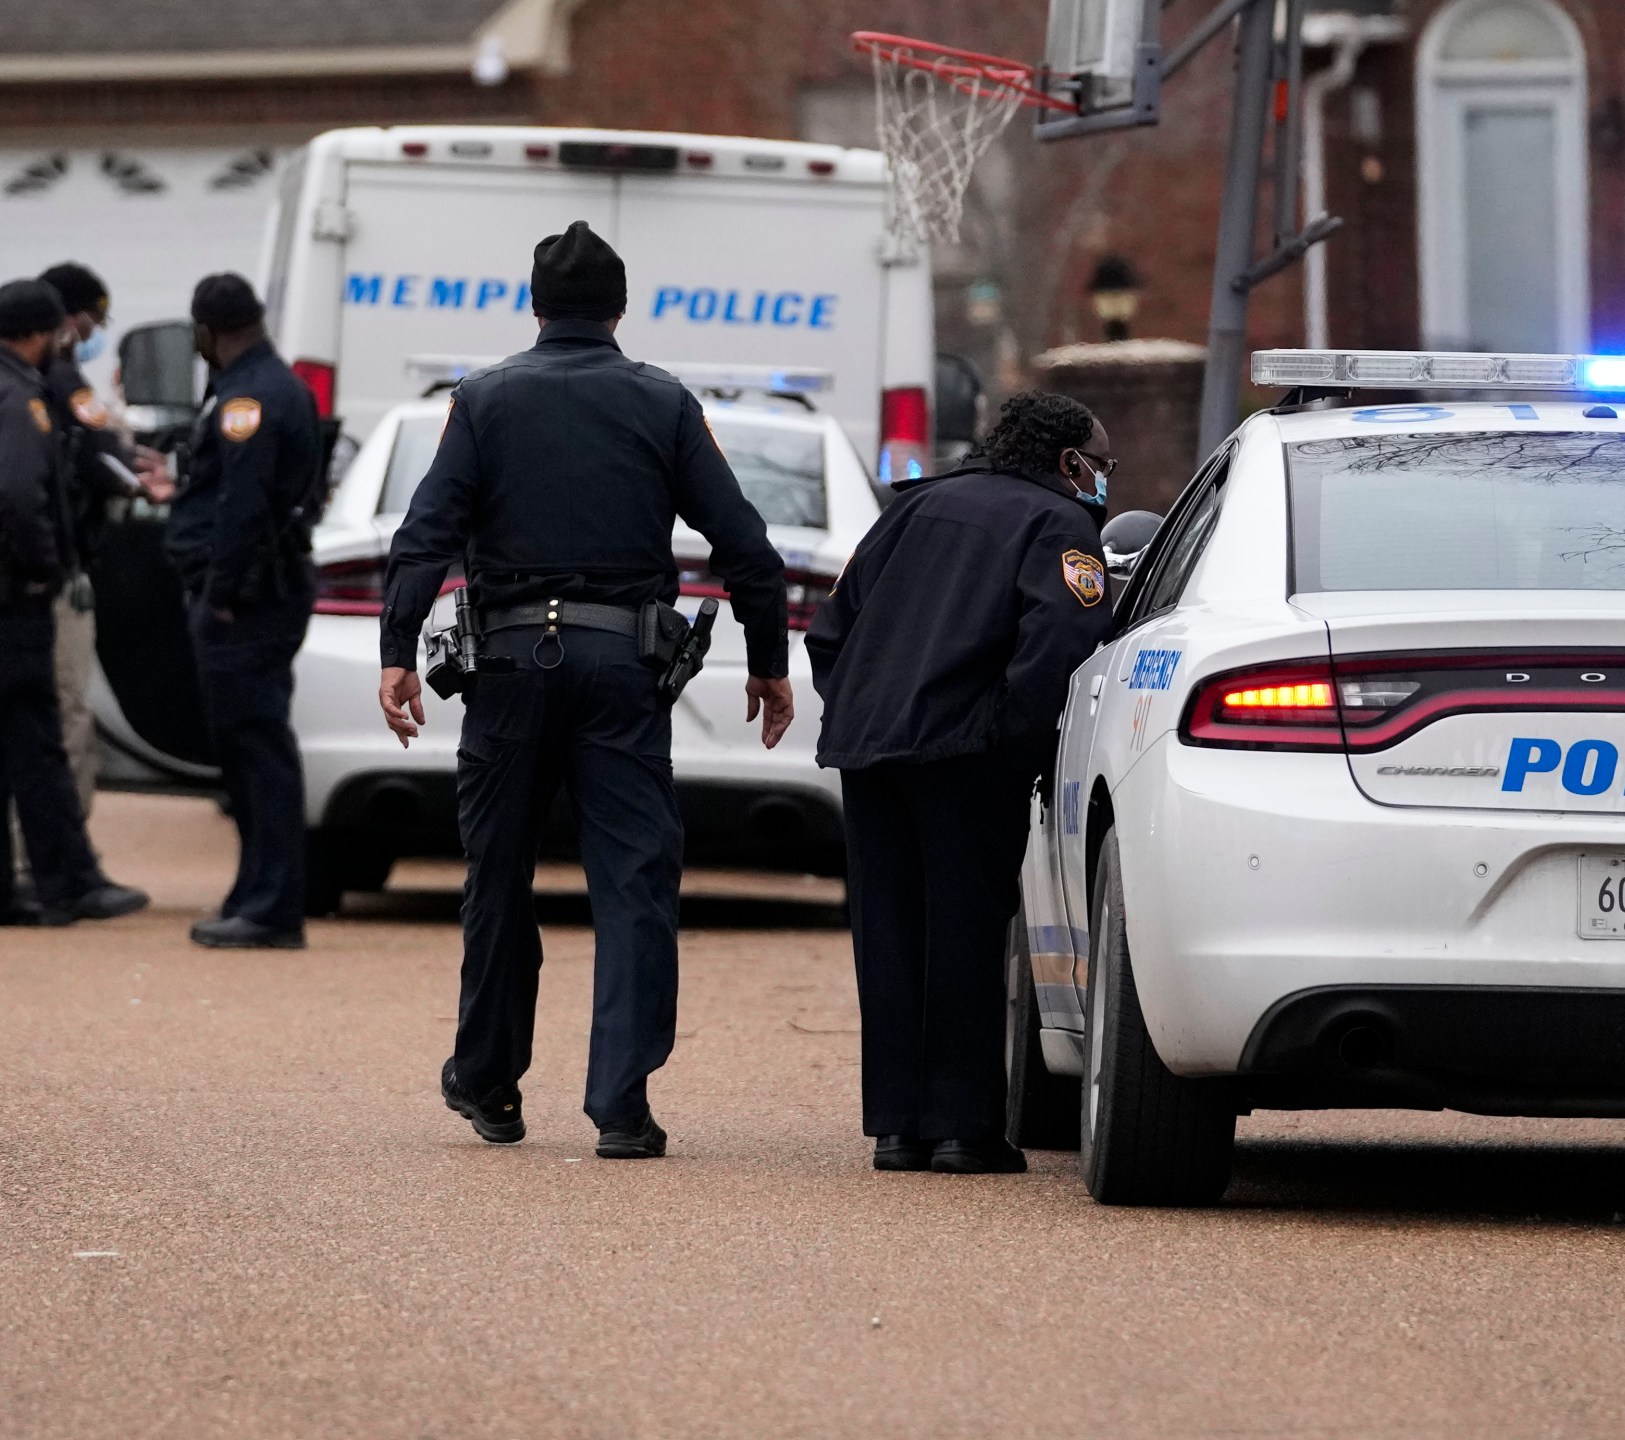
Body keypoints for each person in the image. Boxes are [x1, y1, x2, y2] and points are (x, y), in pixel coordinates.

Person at [376, 220, 795, 1160]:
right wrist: (769, 663)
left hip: (510, 674)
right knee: (635, 884)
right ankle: (621, 1105)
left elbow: (425, 531)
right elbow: (747, 547)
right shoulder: (663, 403)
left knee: (497, 880)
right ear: (620, 308)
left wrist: (397, 648)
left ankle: (489, 1084)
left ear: (533, 306)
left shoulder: (482, 403)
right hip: (622, 676)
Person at [807, 392, 1117, 1175]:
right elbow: (1058, 642)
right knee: (968, 933)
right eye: (1099, 463)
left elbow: (831, 629)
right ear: (1065, 460)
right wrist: (1016, 744)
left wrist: (861, 710)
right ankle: (962, 1126)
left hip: (871, 751)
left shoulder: (914, 506)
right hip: (968, 752)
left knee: (890, 932)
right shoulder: (1060, 523)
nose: (1103, 478)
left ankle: (898, 1128)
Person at [0, 278, 149, 928]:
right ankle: (68, 884)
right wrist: (45, 563)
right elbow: (19, 492)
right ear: (41, 333)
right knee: (36, 734)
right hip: (4, 582)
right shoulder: (18, 394)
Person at [151, 275, 325, 948]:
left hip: (249, 601)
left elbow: (245, 506)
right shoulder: (263, 386)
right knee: (246, 749)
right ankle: (255, 889)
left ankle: (274, 905)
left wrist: (219, 596)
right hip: (257, 594)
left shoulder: (249, 396)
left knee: (258, 750)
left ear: (206, 331)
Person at [34, 262, 163, 810]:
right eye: (91, 320)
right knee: (68, 712)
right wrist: (144, 482)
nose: (93, 333)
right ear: (69, 318)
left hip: (26, 572)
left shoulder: (7, 378)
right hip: (64, 566)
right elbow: (96, 457)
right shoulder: (61, 378)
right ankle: (64, 861)